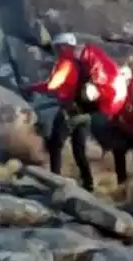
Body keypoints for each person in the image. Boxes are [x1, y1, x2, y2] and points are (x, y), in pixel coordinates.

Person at [24, 32, 125, 190]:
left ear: (63, 47)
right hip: (85, 112)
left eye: (57, 47)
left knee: (55, 144)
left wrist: (32, 88)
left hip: (71, 111)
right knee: (79, 150)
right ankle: (88, 183)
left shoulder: (66, 63)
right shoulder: (81, 64)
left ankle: (54, 179)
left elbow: (53, 85)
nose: (55, 51)